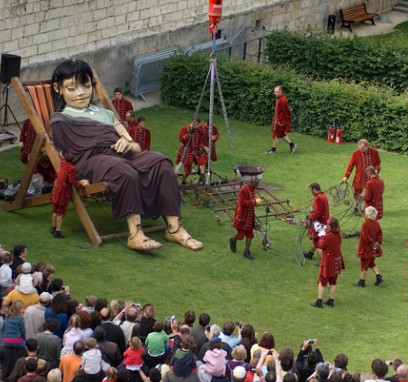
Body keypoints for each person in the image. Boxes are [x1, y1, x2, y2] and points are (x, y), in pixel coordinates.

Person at [48, 58, 202, 252]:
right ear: (57, 88)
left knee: (161, 162)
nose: (80, 93)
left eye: (86, 86)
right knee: (124, 171)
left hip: (121, 155)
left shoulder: (106, 115)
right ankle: (135, 234)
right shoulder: (60, 119)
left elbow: (136, 146)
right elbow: (67, 156)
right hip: (90, 162)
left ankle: (174, 228)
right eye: (71, 88)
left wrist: (128, 143)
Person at [49, 153, 89, 239]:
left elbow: (61, 156)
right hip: (63, 192)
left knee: (55, 210)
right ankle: (58, 231)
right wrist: (81, 186)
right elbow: (72, 181)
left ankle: (53, 227)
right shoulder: (71, 168)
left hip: (57, 190)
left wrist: (60, 153)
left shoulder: (63, 162)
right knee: (61, 212)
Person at [311, 217, 344, 309]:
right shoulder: (338, 234)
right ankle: (331, 300)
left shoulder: (327, 237)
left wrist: (322, 235)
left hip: (328, 261)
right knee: (333, 281)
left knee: (323, 280)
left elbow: (320, 245)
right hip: (337, 260)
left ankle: (319, 301)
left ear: (330, 226)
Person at [343, 140, 381, 205]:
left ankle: (370, 207)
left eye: (362, 148)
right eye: (359, 147)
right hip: (360, 177)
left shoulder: (374, 152)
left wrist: (376, 171)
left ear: (367, 147)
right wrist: (346, 176)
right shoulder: (355, 154)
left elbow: (378, 163)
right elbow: (350, 165)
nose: (360, 149)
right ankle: (356, 208)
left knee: (371, 192)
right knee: (357, 193)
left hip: (372, 177)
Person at [353, 206, 384, 288]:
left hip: (366, 248)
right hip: (374, 248)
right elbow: (380, 234)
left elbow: (366, 237)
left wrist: (372, 242)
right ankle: (378, 276)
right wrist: (377, 243)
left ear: (367, 215)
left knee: (364, 264)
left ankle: (362, 281)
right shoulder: (377, 224)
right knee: (371, 263)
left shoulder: (365, 225)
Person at [230, 176, 259, 260]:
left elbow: (252, 201)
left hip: (249, 215)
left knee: (250, 234)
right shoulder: (243, 190)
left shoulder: (252, 189)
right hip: (242, 215)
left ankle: (246, 251)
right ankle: (233, 240)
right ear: (252, 183)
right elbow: (242, 203)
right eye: (256, 184)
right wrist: (254, 202)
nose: (257, 186)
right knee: (241, 235)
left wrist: (257, 201)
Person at [302, 183, 330, 261]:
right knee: (316, 239)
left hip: (319, 223)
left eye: (311, 190)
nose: (311, 192)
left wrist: (309, 217)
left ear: (314, 189)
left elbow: (317, 213)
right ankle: (310, 253)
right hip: (324, 222)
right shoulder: (324, 196)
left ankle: (324, 262)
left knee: (317, 241)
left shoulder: (318, 198)